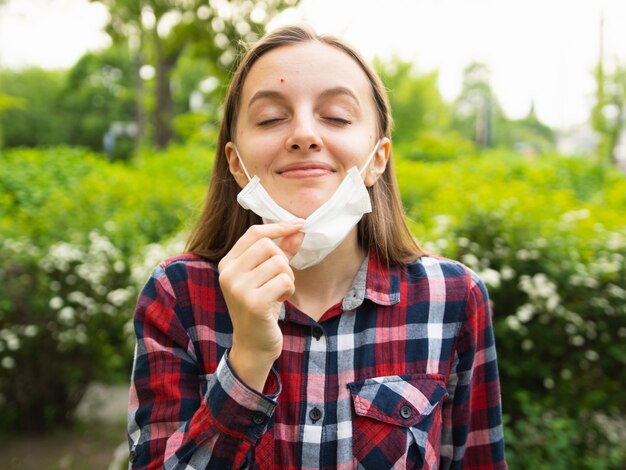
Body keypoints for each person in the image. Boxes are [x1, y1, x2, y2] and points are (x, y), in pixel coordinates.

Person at [127, 24, 507, 469]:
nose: (304, 134)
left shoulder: (456, 299)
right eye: (270, 118)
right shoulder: (177, 295)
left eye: (337, 116)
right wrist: (247, 360)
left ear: (377, 158)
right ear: (236, 163)